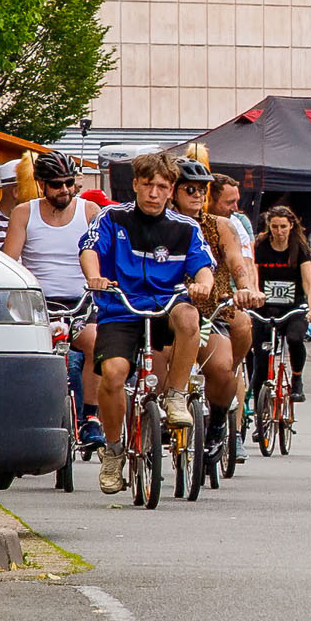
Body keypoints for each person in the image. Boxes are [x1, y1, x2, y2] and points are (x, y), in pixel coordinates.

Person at [79, 153, 215, 496]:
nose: (154, 193)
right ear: (136, 184)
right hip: (120, 307)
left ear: (171, 190)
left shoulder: (185, 227)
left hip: (164, 306)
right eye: (148, 184)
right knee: (112, 374)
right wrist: (95, 277)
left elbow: (203, 266)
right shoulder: (113, 218)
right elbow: (90, 249)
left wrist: (202, 284)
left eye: (162, 186)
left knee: (189, 315)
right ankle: (112, 451)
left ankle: (175, 396)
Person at [1, 150, 105, 448]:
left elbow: (102, 256)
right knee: (26, 357)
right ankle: (27, 417)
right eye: (57, 184)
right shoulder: (24, 213)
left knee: (97, 344)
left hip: (81, 300)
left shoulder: (89, 212)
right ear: (41, 184)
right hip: (39, 303)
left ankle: (91, 417)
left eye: (69, 183)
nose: (64, 190)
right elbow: (10, 261)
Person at [169, 158, 263, 465]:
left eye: (202, 190)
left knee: (225, 366)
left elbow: (238, 262)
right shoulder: (161, 223)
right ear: (174, 192)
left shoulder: (219, 225)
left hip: (214, 308)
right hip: (167, 309)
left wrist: (246, 287)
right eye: (190, 189)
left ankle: (220, 421)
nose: (197, 195)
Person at [251, 205, 311, 403]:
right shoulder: (261, 245)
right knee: (261, 360)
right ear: (269, 227)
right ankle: (259, 410)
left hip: (293, 307)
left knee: (295, 338)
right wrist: (254, 294)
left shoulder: (300, 247)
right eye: (274, 227)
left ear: (291, 226)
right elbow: (253, 273)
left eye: (283, 226)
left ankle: (297, 378)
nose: (279, 232)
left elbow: (308, 281)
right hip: (265, 307)